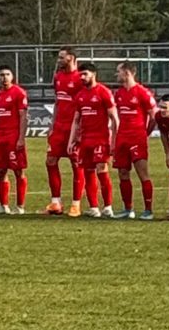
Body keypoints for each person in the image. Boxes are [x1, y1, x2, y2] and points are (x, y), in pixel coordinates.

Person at [68, 62, 119, 218]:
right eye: (80, 75)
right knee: (88, 172)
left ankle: (108, 207)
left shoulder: (103, 92)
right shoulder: (80, 95)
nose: (82, 77)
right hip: (85, 140)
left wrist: (114, 141)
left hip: (100, 139)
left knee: (101, 170)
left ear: (93, 74)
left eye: (85, 74)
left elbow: (115, 118)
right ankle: (94, 208)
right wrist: (71, 140)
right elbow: (76, 120)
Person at [44, 46, 85, 217]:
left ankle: (76, 204)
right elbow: (57, 101)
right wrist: (52, 124)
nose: (59, 60)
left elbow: (84, 104)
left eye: (62, 57)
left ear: (71, 58)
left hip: (73, 128)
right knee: (50, 161)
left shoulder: (80, 78)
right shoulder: (58, 77)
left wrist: (80, 129)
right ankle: (56, 202)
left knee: (76, 164)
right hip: (59, 127)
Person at [113, 62, 157, 220]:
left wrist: (145, 133)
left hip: (137, 137)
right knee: (123, 173)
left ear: (127, 73)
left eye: (118, 71)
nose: (116, 75)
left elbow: (154, 115)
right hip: (122, 138)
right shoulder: (118, 93)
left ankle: (148, 210)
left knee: (142, 173)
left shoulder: (142, 92)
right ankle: (128, 209)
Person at [0, 65, 28, 215]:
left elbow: (23, 117)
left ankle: (20, 206)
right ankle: (3, 206)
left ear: (12, 76)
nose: (5, 77)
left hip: (13, 136)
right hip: (1, 138)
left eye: (7, 74)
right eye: (2, 75)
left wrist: (21, 138)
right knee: (0, 171)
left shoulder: (19, 93)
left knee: (18, 171)